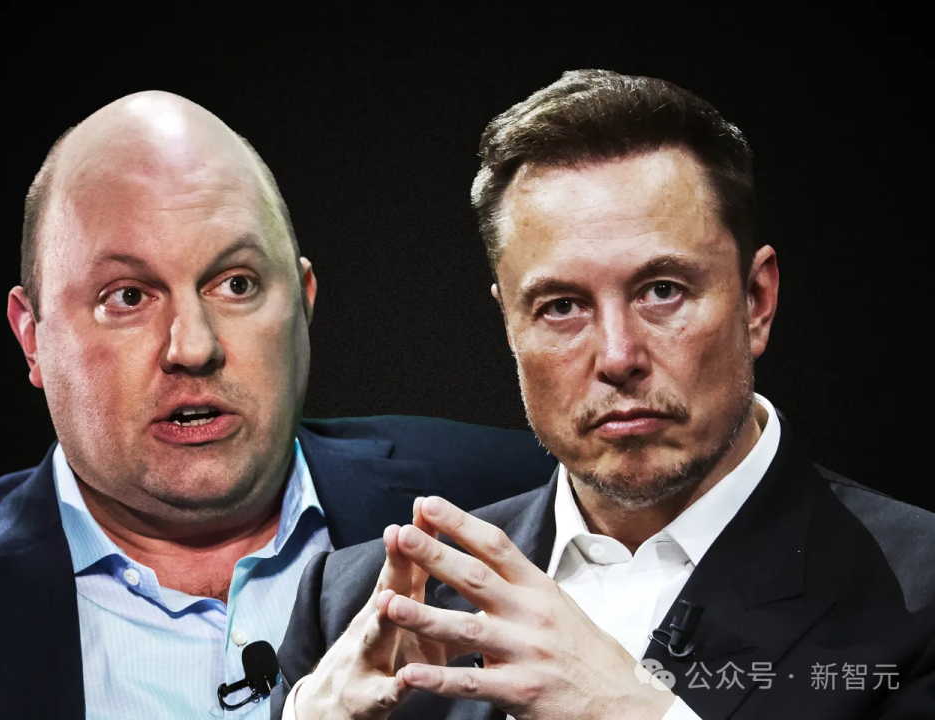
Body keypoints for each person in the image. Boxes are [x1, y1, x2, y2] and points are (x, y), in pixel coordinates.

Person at [0, 92, 557, 720]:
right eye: (127, 297)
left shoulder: (515, 494)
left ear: (303, 304)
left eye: (236, 284)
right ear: (32, 338)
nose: (193, 347)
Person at [275, 70, 935, 720]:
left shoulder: (920, 588)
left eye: (663, 291)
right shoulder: (354, 606)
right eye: (562, 306)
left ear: (756, 301)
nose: (619, 357)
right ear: (510, 325)